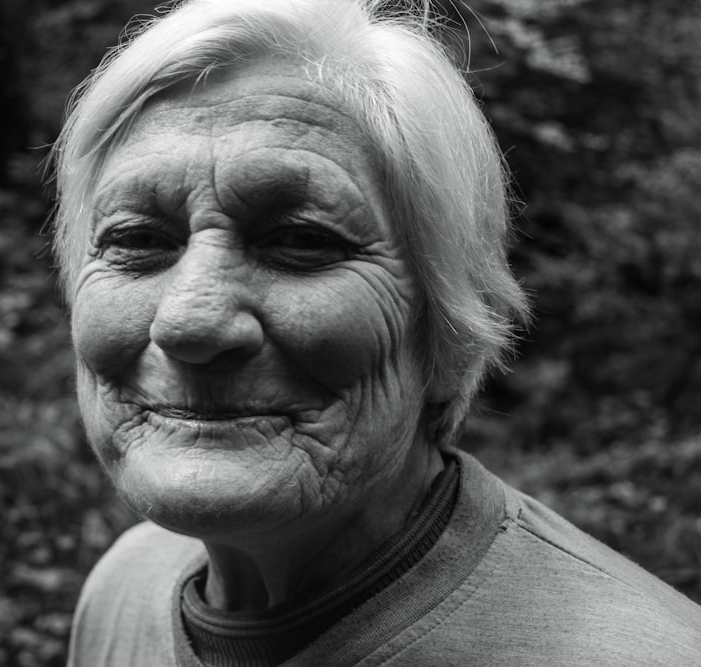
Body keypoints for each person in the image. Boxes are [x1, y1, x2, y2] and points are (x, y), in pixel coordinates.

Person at [51, 0, 701, 664]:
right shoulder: (125, 591)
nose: (191, 320)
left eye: (302, 240)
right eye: (136, 240)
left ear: (450, 330)